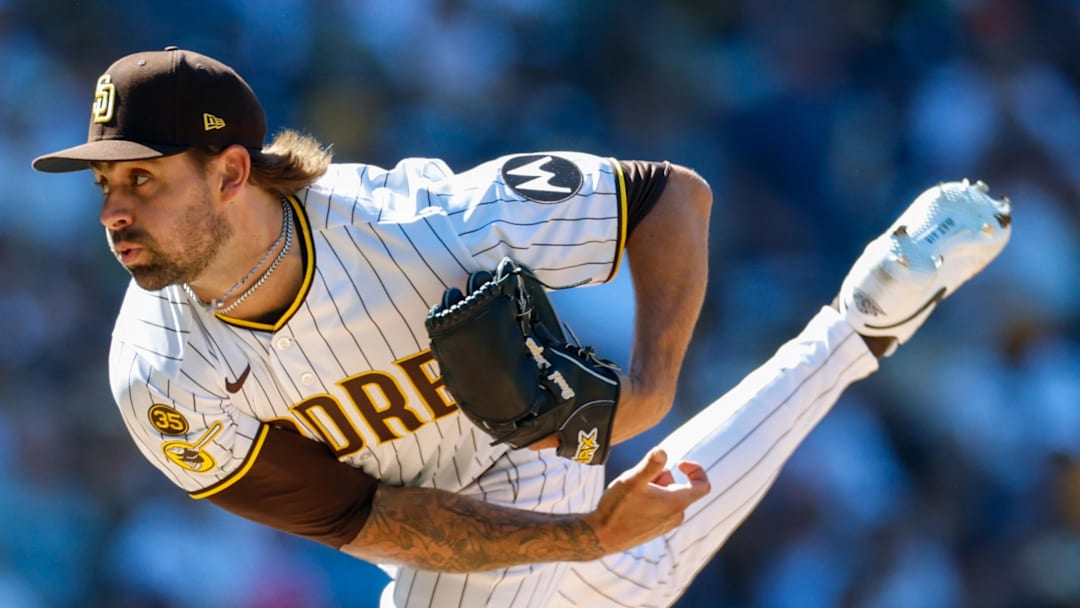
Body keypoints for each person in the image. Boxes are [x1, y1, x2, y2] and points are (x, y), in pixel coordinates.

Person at [32, 47, 1011, 607]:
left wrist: (658, 383)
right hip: (440, 532)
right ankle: (856, 328)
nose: (114, 208)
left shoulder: (419, 223)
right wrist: (585, 536)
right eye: (108, 182)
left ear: (233, 173)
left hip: (534, 444)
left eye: (143, 179)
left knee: (580, 509)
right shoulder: (159, 374)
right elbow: (368, 519)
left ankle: (851, 331)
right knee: (642, 572)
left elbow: (669, 199)